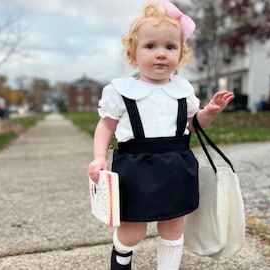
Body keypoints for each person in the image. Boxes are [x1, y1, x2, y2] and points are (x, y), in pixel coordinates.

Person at [88, 2, 234, 269]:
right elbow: (106, 125)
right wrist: (99, 157)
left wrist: (210, 112)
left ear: (181, 54)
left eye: (170, 47)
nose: (161, 54)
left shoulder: (182, 90)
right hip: (135, 169)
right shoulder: (121, 92)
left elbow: (192, 125)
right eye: (150, 46)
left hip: (176, 166)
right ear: (133, 55)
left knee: (173, 226)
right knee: (133, 231)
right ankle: (122, 253)